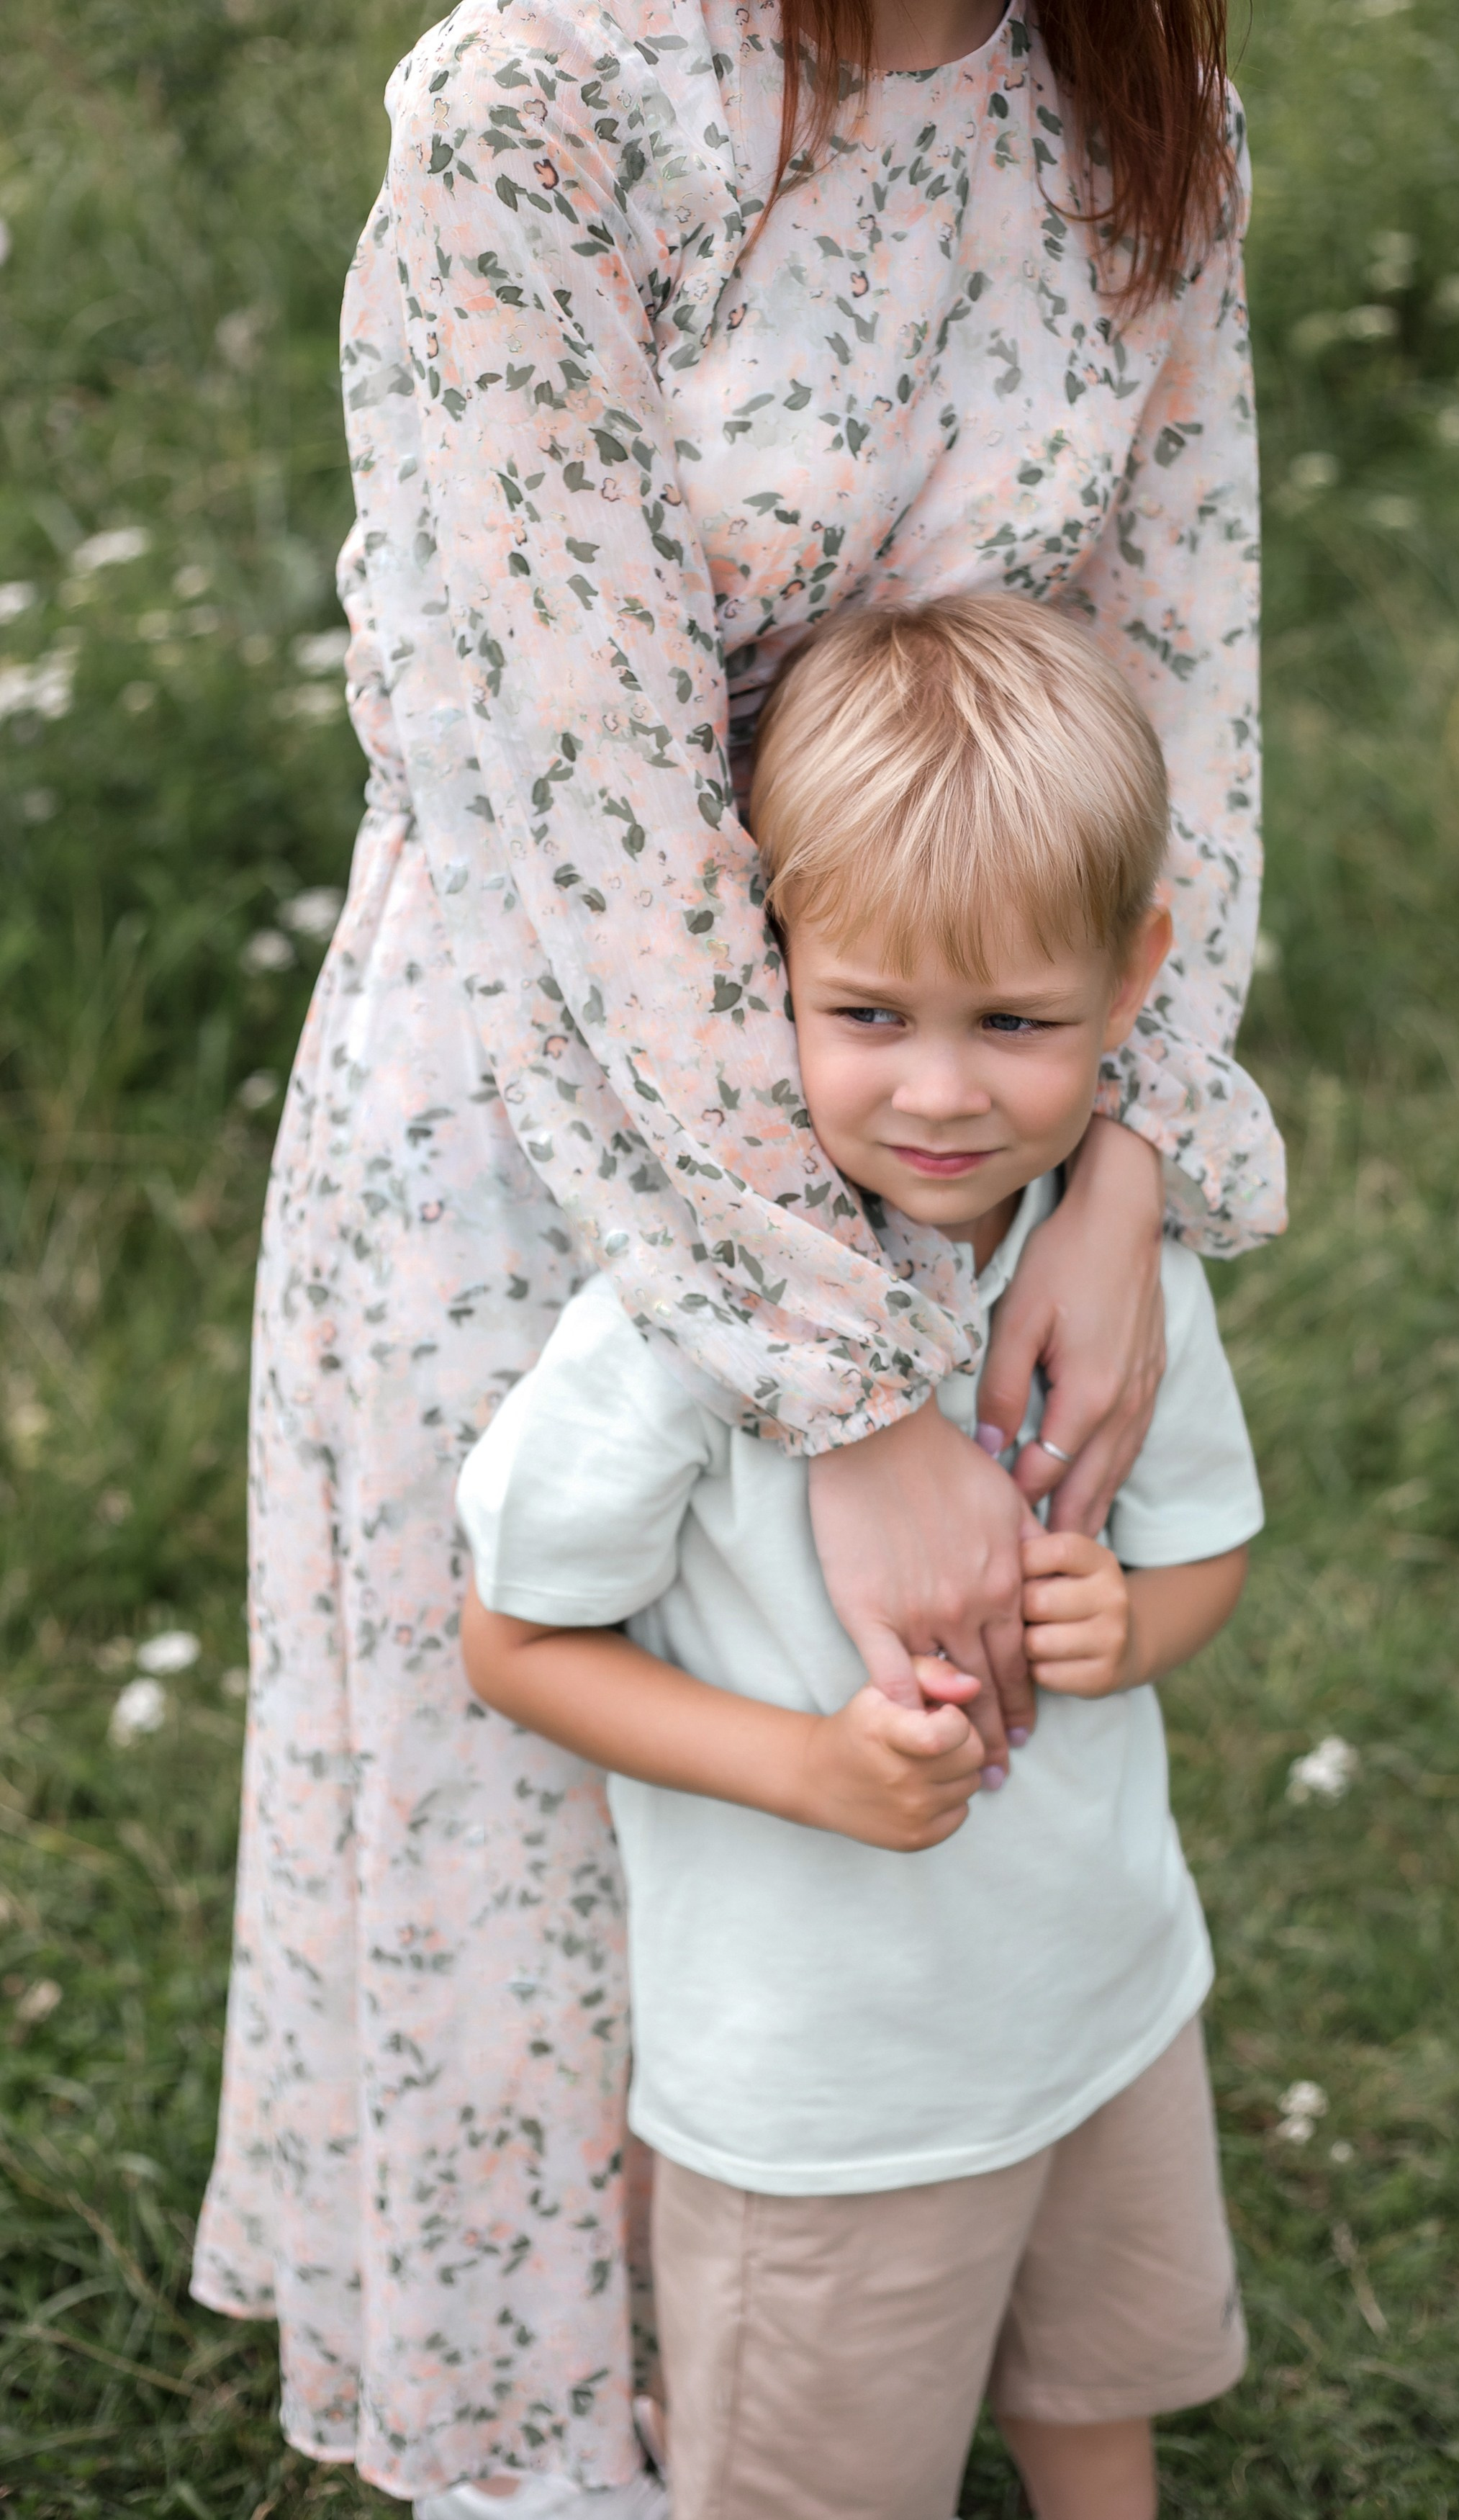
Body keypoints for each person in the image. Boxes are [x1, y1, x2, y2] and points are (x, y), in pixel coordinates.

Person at [192, 0, 1284, 2501]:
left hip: (978, 1081)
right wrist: (849, 1384)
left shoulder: (1139, 102)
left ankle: (937, 2295)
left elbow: (1184, 662)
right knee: (557, 1872)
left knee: (913, 1856)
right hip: (560, 1105)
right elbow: (567, 775)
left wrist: (1128, 1153)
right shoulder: (553, 106)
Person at [456, 594, 1265, 2520]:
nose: (942, 1091)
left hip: (1102, 1993)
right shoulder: (676, 1339)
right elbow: (514, 1642)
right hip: (817, 2089)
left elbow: (1206, 1546)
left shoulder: (1102, 1272)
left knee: (1099, 2377)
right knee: (820, 2474)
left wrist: (1128, 1623)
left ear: (1134, 979)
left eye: (1018, 1023)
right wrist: (810, 1768)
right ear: (767, 979)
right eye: (873, 1014)